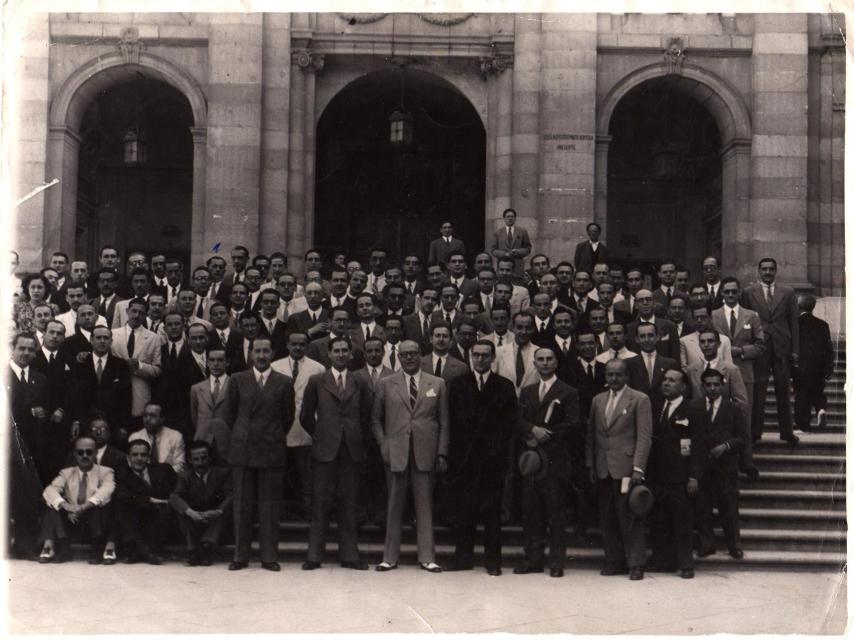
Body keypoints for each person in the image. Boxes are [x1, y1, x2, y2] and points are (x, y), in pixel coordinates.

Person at [371, 340, 449, 572]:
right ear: (399, 357)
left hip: (425, 451)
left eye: (413, 353)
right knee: (394, 505)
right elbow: (375, 419)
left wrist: (441, 452)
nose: (409, 358)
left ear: (420, 355)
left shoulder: (437, 383)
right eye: (404, 354)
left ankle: (427, 557)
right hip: (396, 451)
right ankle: (389, 557)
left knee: (424, 506)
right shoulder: (386, 383)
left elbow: (444, 422)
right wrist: (384, 445)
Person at [300, 336, 373, 570]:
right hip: (325, 450)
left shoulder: (359, 381)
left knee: (348, 502)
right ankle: (314, 556)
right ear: (329, 354)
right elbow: (305, 416)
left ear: (351, 354)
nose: (341, 354)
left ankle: (350, 555)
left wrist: (355, 437)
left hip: (351, 450)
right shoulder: (317, 381)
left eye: (344, 351)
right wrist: (322, 435)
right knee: (321, 503)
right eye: (337, 351)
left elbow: (366, 415)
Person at [446, 340, 517, 576]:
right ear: (471, 357)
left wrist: (497, 453)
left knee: (491, 512)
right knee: (464, 510)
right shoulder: (458, 384)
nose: (480, 359)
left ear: (493, 358)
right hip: (465, 458)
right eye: (476, 355)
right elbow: (453, 420)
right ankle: (463, 558)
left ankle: (492, 561)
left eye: (485, 355)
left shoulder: (504, 386)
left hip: (492, 458)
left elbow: (508, 424)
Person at [226, 336, 295, 571]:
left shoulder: (284, 382)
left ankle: (269, 557)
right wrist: (243, 434)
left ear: (273, 353)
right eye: (258, 351)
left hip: (271, 448)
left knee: (269, 506)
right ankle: (240, 556)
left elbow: (287, 417)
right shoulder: (237, 380)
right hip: (243, 449)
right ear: (251, 354)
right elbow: (229, 415)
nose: (262, 356)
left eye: (266, 351)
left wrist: (271, 434)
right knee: (242, 505)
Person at [515, 347, 580, 578]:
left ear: (555, 363)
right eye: (540, 359)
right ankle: (533, 559)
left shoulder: (568, 391)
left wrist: (547, 434)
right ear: (534, 364)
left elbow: (573, 423)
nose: (544, 363)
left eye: (549, 359)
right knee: (531, 513)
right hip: (532, 461)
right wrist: (531, 430)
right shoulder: (527, 391)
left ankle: (556, 562)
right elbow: (518, 419)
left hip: (555, 460)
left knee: (555, 513)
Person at [586, 359, 652, 580]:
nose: (613, 378)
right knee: (607, 518)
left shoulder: (639, 399)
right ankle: (614, 561)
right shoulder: (597, 400)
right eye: (610, 374)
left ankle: (636, 564)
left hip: (627, 468)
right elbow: (592, 435)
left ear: (627, 376)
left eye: (618, 374)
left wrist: (638, 469)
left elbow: (644, 437)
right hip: (603, 467)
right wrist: (591, 464)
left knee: (630, 517)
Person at [741, 258, 800, 445]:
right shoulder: (748, 293)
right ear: (759, 271)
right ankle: (755, 431)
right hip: (760, 346)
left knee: (783, 389)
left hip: (782, 346)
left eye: (771, 269)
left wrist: (795, 350)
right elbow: (746, 320)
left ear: (776, 271)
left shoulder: (788, 292)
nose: (767, 272)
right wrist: (748, 346)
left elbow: (794, 322)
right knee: (759, 389)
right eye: (764, 269)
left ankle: (787, 432)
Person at [646, 368, 697, 579]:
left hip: (680, 476)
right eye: (664, 380)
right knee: (659, 519)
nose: (666, 383)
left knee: (682, 522)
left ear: (683, 386)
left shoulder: (692, 409)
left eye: (672, 380)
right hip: (657, 475)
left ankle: (686, 564)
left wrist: (693, 476)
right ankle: (663, 561)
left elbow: (698, 446)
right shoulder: (656, 407)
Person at [693, 368, 748, 560]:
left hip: (726, 466)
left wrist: (726, 446)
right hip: (702, 466)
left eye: (716, 384)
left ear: (723, 386)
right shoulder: (694, 407)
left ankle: (734, 545)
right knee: (702, 506)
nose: (712, 388)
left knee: (729, 506)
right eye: (708, 385)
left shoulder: (733, 409)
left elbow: (743, 438)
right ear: (702, 387)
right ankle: (707, 544)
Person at [271, 331, 325, 520]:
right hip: (280, 426)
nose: (298, 347)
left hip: (306, 427)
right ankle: (278, 513)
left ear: (307, 346)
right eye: (294, 344)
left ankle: (310, 511)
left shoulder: (317, 368)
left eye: (302, 344)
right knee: (279, 473)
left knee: (306, 473)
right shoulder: (275, 366)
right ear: (287, 345)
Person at [38, 436, 115, 564]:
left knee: (104, 504)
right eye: (80, 452)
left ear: (96, 453)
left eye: (89, 452)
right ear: (75, 454)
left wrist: (84, 506)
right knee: (52, 502)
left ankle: (96, 550)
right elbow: (49, 490)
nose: (85, 456)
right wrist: (67, 506)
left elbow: (107, 489)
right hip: (71, 519)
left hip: (93, 520)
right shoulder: (66, 473)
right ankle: (59, 548)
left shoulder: (106, 472)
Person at [7, 332, 50, 558]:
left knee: (28, 496)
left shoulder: (40, 379)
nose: (25, 353)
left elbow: (45, 409)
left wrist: (41, 413)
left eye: (30, 349)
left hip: (32, 447)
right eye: (21, 348)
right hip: (7, 446)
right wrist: (30, 413)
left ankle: (25, 545)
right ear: (12, 349)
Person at [712, 277, 765, 437]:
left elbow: (761, 345)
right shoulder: (713, 316)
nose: (730, 295)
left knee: (744, 415)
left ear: (739, 293)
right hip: (719, 372)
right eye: (727, 291)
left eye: (734, 291)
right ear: (722, 293)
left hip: (744, 371)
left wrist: (741, 351)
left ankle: (745, 450)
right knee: (720, 415)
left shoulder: (751, 315)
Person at [169, 440, 233, 566]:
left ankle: (205, 547)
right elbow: (174, 497)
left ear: (210, 458)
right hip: (195, 518)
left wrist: (218, 511)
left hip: (215, 520)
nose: (200, 463)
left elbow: (231, 495)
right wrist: (191, 512)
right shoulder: (185, 476)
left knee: (223, 512)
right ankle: (194, 549)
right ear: (190, 460)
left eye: (204, 458)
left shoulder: (222, 473)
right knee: (182, 510)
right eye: (196, 459)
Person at [113, 439, 177, 564]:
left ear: (148, 457)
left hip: (160, 513)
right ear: (128, 457)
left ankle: (139, 552)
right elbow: (121, 494)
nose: (139, 458)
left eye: (143, 455)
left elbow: (176, 489)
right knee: (121, 506)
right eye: (135, 455)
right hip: (135, 514)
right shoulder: (122, 474)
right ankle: (147, 553)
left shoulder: (163, 469)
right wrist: (149, 500)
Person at [70, 326, 132, 447]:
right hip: (86, 421)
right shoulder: (81, 364)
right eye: (98, 338)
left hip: (113, 422)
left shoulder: (121, 365)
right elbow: (75, 395)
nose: (102, 341)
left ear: (111, 341)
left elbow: (126, 398)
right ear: (91, 340)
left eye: (106, 338)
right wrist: (76, 421)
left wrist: (124, 426)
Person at [111, 297, 162, 429]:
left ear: (146, 315)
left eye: (141, 313)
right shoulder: (113, 335)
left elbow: (158, 370)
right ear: (127, 311)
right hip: (116, 392)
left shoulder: (153, 338)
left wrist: (139, 365)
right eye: (134, 311)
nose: (136, 316)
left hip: (140, 394)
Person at [793, 294, 834, 431]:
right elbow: (828, 349)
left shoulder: (795, 324)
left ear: (798, 307)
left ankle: (803, 425)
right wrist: (829, 367)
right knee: (818, 390)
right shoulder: (823, 325)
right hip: (819, 366)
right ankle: (821, 409)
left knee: (801, 394)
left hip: (800, 366)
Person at [189, 346, 233, 464]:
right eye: (212, 360)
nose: (216, 364)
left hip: (226, 441)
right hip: (203, 440)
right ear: (207, 363)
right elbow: (194, 417)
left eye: (220, 360)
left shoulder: (234, 385)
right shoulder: (196, 388)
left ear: (227, 362)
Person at [129, 402, 186, 474]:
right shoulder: (134, 437)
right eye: (145, 415)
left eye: (152, 416)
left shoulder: (175, 436)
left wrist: (160, 476)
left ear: (162, 418)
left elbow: (180, 465)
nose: (147, 419)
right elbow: (131, 465)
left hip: (168, 478)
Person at [495, 311, 540, 395]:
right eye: (519, 327)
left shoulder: (539, 353)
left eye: (528, 328)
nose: (524, 332)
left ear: (533, 329)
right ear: (512, 328)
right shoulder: (499, 352)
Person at [490, 208, 532, 280]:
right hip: (503, 268)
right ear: (504, 218)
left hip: (518, 268)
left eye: (512, 216)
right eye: (508, 216)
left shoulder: (522, 231)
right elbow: (493, 250)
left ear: (515, 218)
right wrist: (504, 254)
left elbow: (528, 248)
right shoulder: (498, 233)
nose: (510, 218)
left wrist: (518, 251)